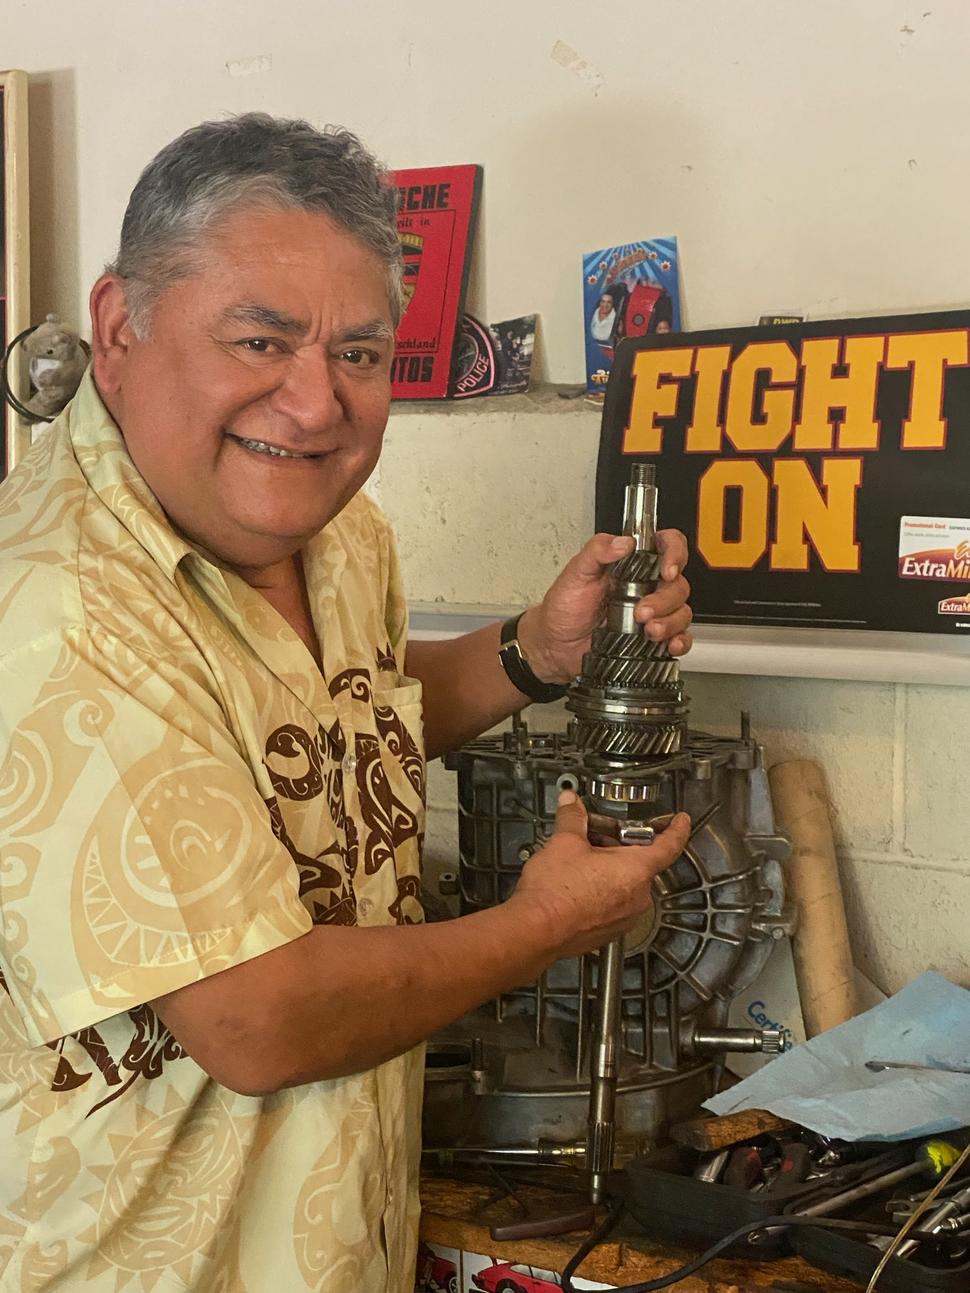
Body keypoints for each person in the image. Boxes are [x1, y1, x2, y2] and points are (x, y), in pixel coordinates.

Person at [0, 115, 693, 1292]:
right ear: (119, 328)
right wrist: (543, 926)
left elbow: (335, 725)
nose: (317, 404)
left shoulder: (336, 533)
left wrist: (536, 651)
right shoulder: (60, 611)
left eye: (360, 354)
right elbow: (256, 1020)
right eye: (260, 340)